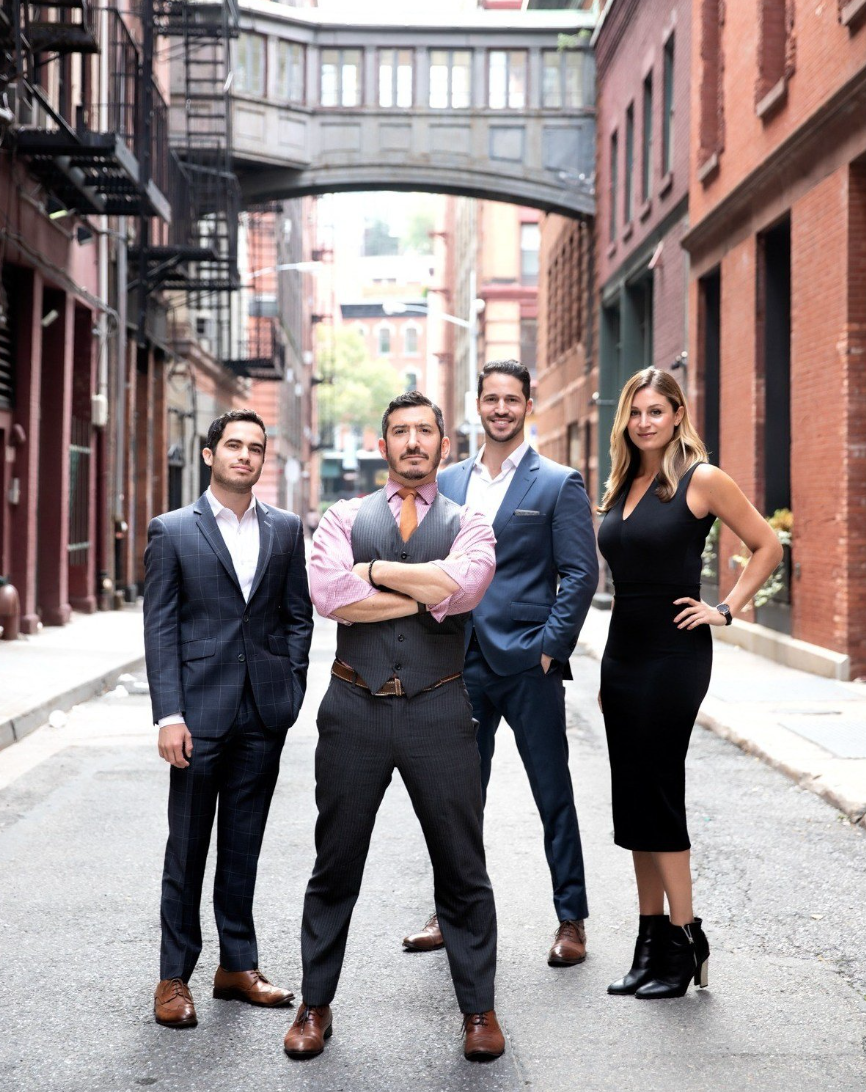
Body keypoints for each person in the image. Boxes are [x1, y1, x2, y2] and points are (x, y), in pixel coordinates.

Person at [284, 391, 503, 1062]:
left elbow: (463, 590)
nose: (412, 441)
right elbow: (329, 597)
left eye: (424, 432)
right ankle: (315, 1004)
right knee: (334, 864)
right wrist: (424, 588)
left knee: (462, 867)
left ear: (444, 445)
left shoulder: (473, 521)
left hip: (440, 707)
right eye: (400, 432)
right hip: (354, 710)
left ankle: (479, 1011)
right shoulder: (342, 516)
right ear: (382, 446)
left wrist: (374, 573)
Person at [402, 360, 599, 966]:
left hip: (527, 664)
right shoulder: (451, 480)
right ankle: (448, 910)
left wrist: (550, 646)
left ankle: (571, 919)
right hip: (459, 665)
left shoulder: (557, 483)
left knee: (552, 793)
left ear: (527, 406)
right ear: (477, 405)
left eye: (512, 399)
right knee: (457, 795)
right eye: (492, 399)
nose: (501, 409)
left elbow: (580, 573)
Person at [597, 367, 782, 999]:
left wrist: (725, 608)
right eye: (635, 412)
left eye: (656, 411)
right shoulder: (626, 480)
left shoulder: (701, 479)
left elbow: (767, 544)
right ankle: (651, 940)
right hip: (621, 657)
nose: (644, 421)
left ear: (678, 414)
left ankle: (686, 936)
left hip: (674, 657)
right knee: (632, 799)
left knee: (658, 791)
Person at [144, 409, 313, 1028]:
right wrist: (170, 714)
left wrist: (290, 689)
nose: (246, 455)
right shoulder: (172, 531)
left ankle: (237, 966)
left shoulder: (288, 529)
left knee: (244, 845)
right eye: (234, 445)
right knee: (186, 848)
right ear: (210, 453)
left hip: (262, 714)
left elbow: (298, 615)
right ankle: (172, 978)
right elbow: (160, 627)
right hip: (198, 715)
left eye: (256, 448)